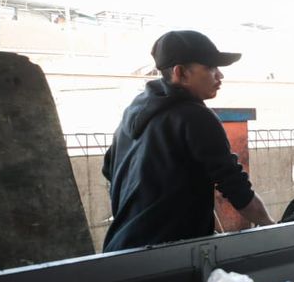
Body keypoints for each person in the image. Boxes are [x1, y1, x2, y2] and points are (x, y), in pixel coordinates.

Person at [102, 30, 275, 252]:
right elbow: (235, 187)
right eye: (210, 67)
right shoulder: (195, 116)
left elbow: (109, 169)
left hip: (119, 250)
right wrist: (272, 228)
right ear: (180, 72)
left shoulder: (135, 110)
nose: (219, 75)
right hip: (164, 258)